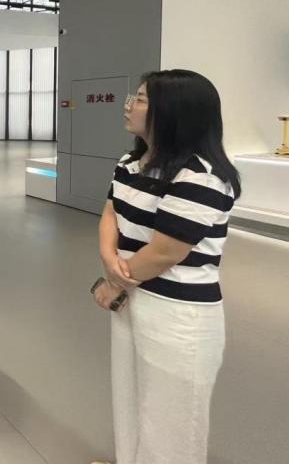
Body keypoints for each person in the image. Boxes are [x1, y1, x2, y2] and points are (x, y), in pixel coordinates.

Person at [92, 70, 240, 464]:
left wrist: (114, 282)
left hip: (177, 314)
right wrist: (109, 260)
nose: (129, 105)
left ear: (173, 112)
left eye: (140, 99)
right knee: (129, 396)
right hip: (132, 296)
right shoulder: (130, 161)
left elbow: (165, 252)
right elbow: (111, 213)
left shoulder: (201, 177)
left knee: (171, 419)